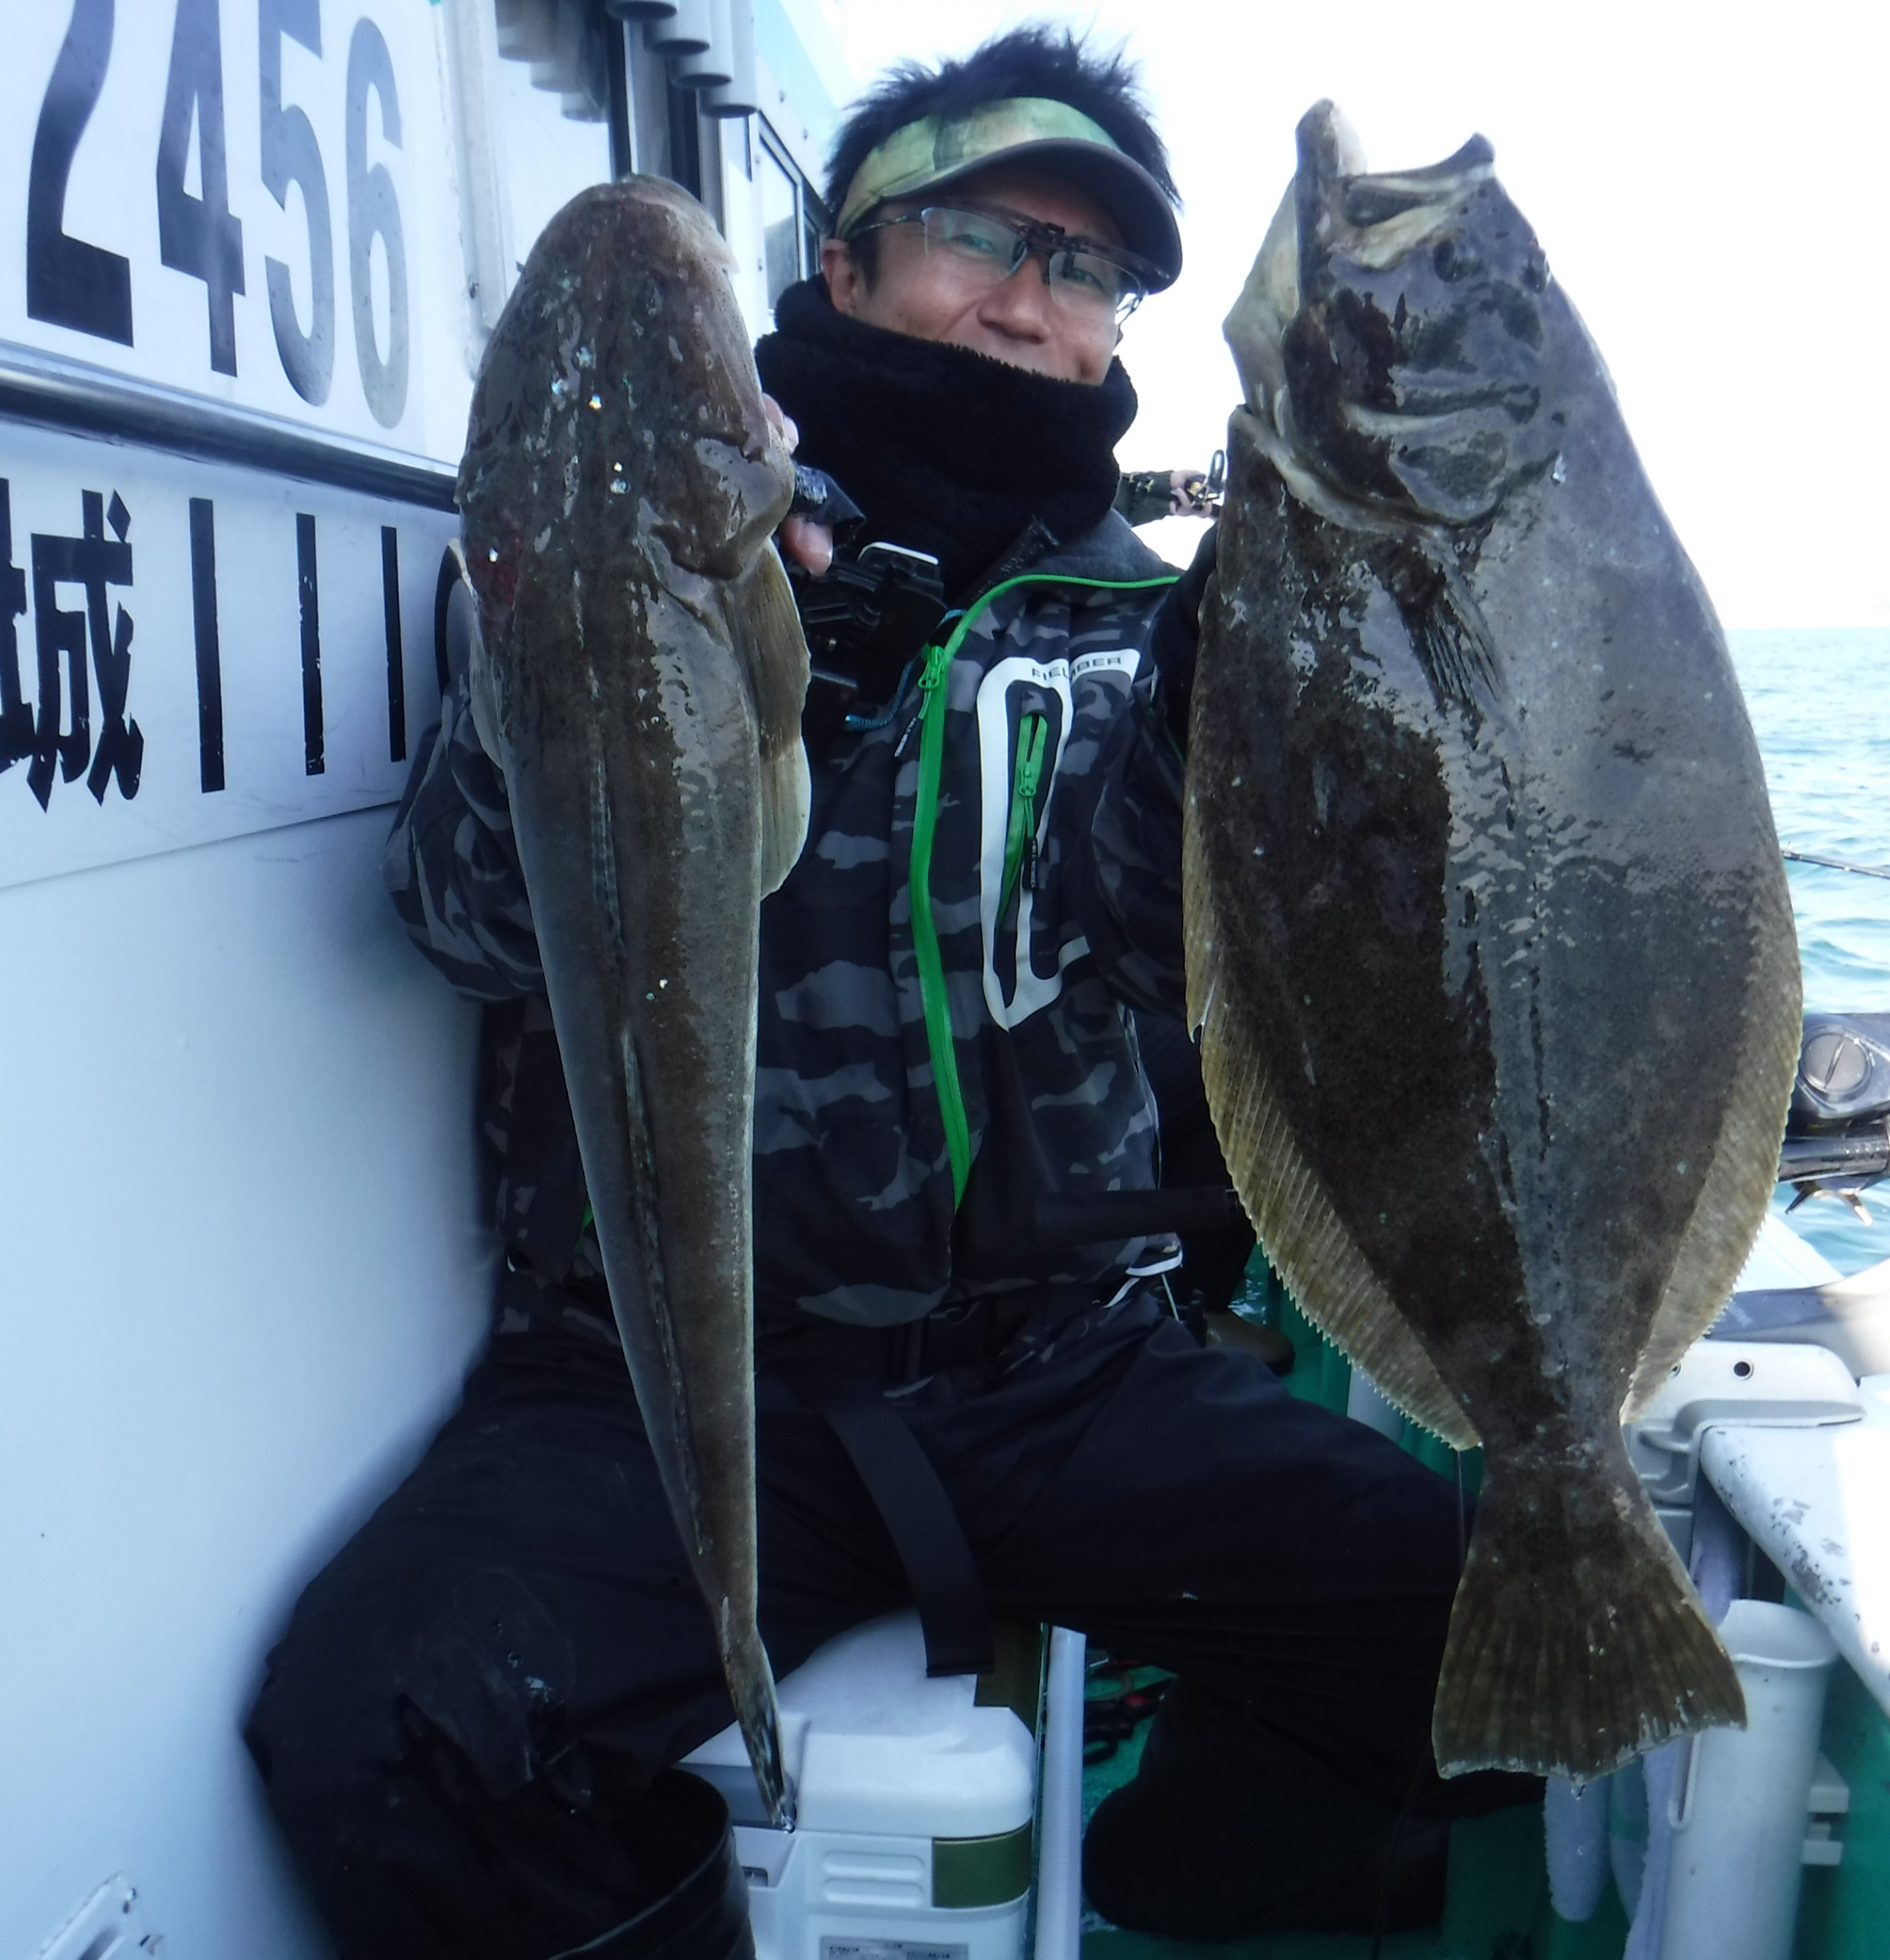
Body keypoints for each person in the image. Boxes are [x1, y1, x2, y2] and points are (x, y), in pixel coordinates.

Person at [245, 29, 1526, 1960]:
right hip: (652, 1377)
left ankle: (1178, 1887)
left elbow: (1182, 942)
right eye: (979, 237)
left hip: (1061, 1369)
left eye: (1086, 268)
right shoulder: (630, 516)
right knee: (391, 1730)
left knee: (1501, 1629)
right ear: (842, 264)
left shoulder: (1148, 622)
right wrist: (632, 654)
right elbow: (464, 922)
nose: (1030, 300)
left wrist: (1248, 697)